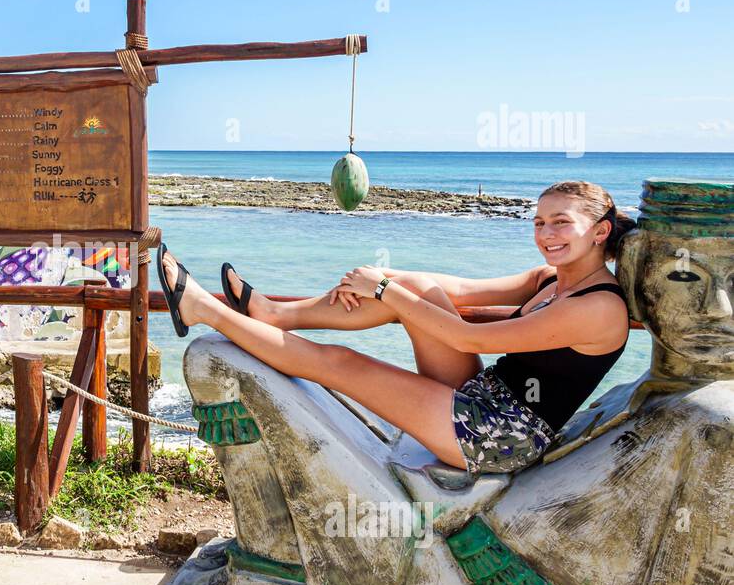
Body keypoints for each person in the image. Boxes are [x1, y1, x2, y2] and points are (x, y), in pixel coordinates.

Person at [158, 180, 636, 478]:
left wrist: (384, 288)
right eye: (538, 222)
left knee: (342, 363)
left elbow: (469, 339)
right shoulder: (549, 279)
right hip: (484, 394)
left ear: (599, 231)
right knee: (419, 287)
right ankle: (277, 314)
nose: (546, 234)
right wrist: (391, 285)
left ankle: (205, 309)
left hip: (500, 435)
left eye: (561, 223)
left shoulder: (596, 307)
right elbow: (460, 290)